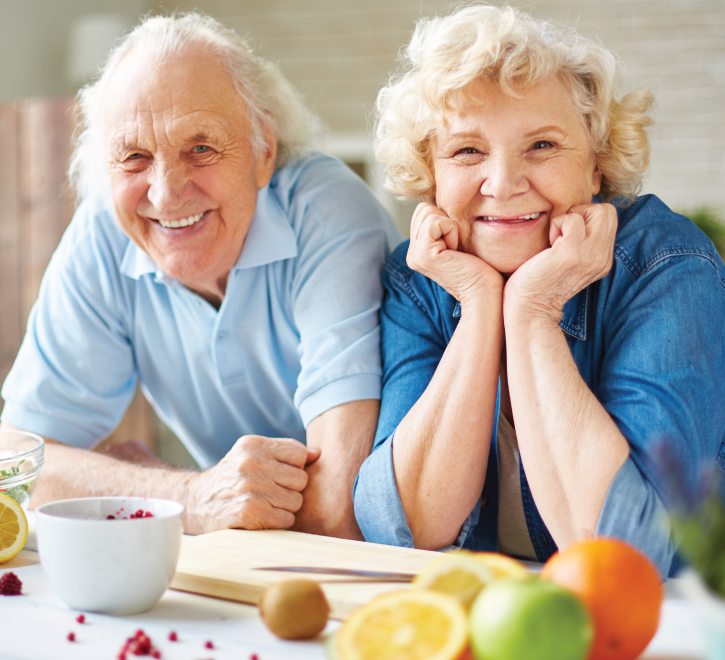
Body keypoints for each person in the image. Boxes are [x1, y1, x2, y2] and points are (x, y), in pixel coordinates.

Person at [353, 4, 725, 576]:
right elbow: (404, 527)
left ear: (597, 167)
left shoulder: (668, 265)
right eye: (467, 150)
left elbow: (629, 551)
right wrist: (480, 305)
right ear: (431, 172)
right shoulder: (421, 275)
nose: (503, 184)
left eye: (543, 146)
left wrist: (532, 310)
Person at [0, 13, 400, 539]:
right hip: (243, 567)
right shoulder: (105, 229)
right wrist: (191, 496)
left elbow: (339, 506)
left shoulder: (326, 213)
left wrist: (154, 482)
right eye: (135, 156)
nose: (165, 194)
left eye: (202, 148)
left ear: (263, 152)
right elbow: (17, 467)